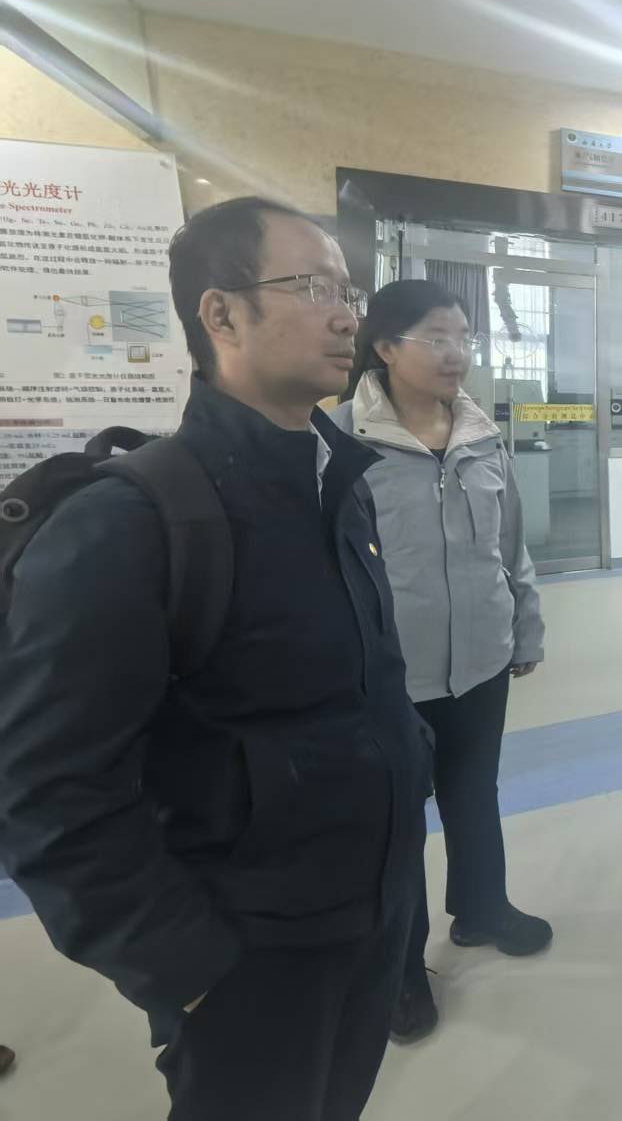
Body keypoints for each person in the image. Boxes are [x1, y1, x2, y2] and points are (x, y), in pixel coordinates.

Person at [0, 197, 432, 1119]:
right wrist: (188, 970)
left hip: (369, 913)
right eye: (315, 287)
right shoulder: (131, 523)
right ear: (221, 314)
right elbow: (48, 793)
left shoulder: (338, 483)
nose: (348, 317)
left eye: (349, 291)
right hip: (248, 959)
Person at [330, 281, 549, 1044]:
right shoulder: (337, 441)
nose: (457, 353)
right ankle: (398, 968)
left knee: (473, 790)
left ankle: (483, 908)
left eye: (464, 337)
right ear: (386, 347)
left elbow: (511, 542)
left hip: (481, 656)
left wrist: (524, 627)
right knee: (393, 825)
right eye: (437, 337)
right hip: (388, 672)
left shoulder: (482, 433)